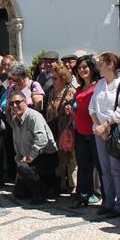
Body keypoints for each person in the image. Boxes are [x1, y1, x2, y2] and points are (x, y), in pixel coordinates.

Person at [89, 52, 120, 218]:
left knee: (117, 169)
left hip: (115, 131)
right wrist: (98, 126)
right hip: (99, 131)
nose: (98, 67)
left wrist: (106, 125)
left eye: (100, 63)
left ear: (110, 65)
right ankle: (109, 202)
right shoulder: (99, 84)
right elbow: (92, 107)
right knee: (105, 169)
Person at [9, 91, 58, 204]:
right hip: (30, 159)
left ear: (25, 102)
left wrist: (30, 157)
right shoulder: (15, 120)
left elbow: (42, 139)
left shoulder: (34, 116)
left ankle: (41, 194)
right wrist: (19, 168)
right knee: (19, 194)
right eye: (12, 104)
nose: (15, 106)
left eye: (18, 102)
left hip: (46, 157)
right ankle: (45, 186)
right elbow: (17, 144)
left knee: (23, 167)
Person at [71, 55, 102, 208]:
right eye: (79, 68)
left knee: (100, 165)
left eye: (85, 67)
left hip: (95, 132)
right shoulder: (79, 89)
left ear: (91, 68)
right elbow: (77, 108)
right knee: (83, 166)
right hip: (80, 132)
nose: (82, 70)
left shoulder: (98, 86)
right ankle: (82, 196)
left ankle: (106, 197)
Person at [46, 62, 76, 195]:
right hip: (54, 130)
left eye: (55, 78)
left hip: (67, 130)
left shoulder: (71, 92)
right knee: (59, 158)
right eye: (51, 78)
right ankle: (60, 185)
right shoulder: (52, 92)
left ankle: (73, 185)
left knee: (70, 158)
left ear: (63, 78)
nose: (53, 81)